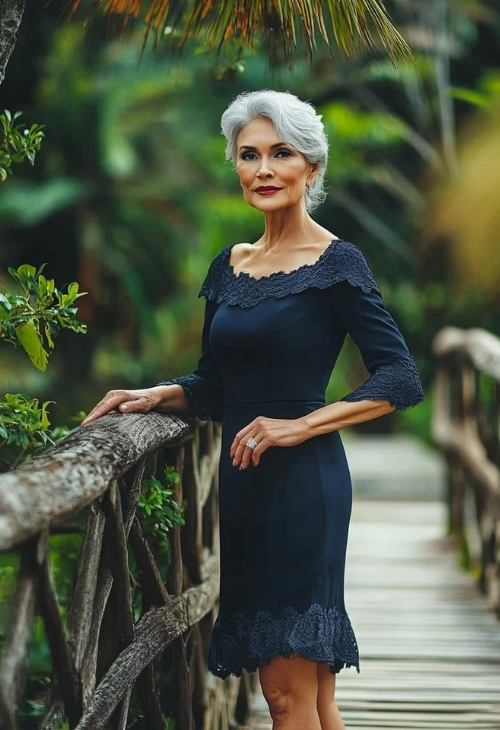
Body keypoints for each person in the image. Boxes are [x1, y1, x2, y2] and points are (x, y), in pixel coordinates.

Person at [81, 89, 424, 730]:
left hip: (303, 487)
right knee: (312, 698)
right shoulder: (230, 267)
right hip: (244, 488)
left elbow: (400, 377)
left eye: (281, 153)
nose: (263, 169)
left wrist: (301, 424)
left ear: (311, 168)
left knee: (286, 695)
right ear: (235, 166)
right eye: (249, 155)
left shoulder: (336, 263)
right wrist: (159, 394)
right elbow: (216, 383)